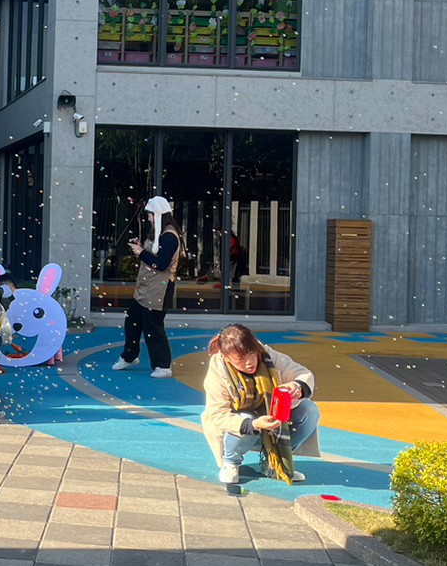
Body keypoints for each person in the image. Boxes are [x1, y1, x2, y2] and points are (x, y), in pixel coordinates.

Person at [201, 324, 320, 485]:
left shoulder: (267, 355)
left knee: (309, 410)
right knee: (247, 417)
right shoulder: (218, 370)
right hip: (239, 427)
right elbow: (218, 414)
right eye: (241, 359)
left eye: (252, 354)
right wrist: (254, 424)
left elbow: (303, 373)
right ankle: (231, 462)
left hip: (270, 418)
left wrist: (297, 386)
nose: (249, 362)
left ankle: (274, 461)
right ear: (227, 358)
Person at [111, 196, 181, 379]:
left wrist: (141, 253)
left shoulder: (169, 236)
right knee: (132, 320)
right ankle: (129, 355)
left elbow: (162, 264)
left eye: (150, 214)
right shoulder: (160, 233)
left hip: (159, 289)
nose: (148, 218)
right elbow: (155, 256)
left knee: (153, 327)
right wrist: (141, 247)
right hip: (147, 287)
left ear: (157, 214)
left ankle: (163, 365)